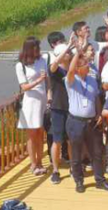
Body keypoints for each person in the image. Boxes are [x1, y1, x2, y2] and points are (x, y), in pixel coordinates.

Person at [65, 36, 108, 193]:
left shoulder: (92, 79)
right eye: (85, 64)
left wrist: (99, 113)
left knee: (97, 152)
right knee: (77, 153)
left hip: (92, 122)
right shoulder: (71, 80)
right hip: (76, 122)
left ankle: (100, 180)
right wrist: (76, 53)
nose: (88, 65)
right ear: (78, 68)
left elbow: (96, 97)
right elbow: (71, 70)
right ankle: (79, 181)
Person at [16, 37, 48, 176]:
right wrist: (38, 80)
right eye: (36, 48)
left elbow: (48, 80)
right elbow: (24, 87)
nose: (38, 50)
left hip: (42, 100)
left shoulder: (42, 60)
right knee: (32, 135)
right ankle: (33, 163)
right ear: (29, 49)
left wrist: (49, 95)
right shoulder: (20, 65)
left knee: (41, 133)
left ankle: (40, 161)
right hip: (30, 103)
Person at [48, 38, 74, 184]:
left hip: (72, 108)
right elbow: (53, 65)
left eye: (69, 52)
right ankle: (55, 170)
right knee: (57, 141)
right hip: (58, 108)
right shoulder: (55, 70)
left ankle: (72, 166)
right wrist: (68, 46)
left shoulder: (72, 67)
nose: (69, 54)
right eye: (67, 52)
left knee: (71, 140)